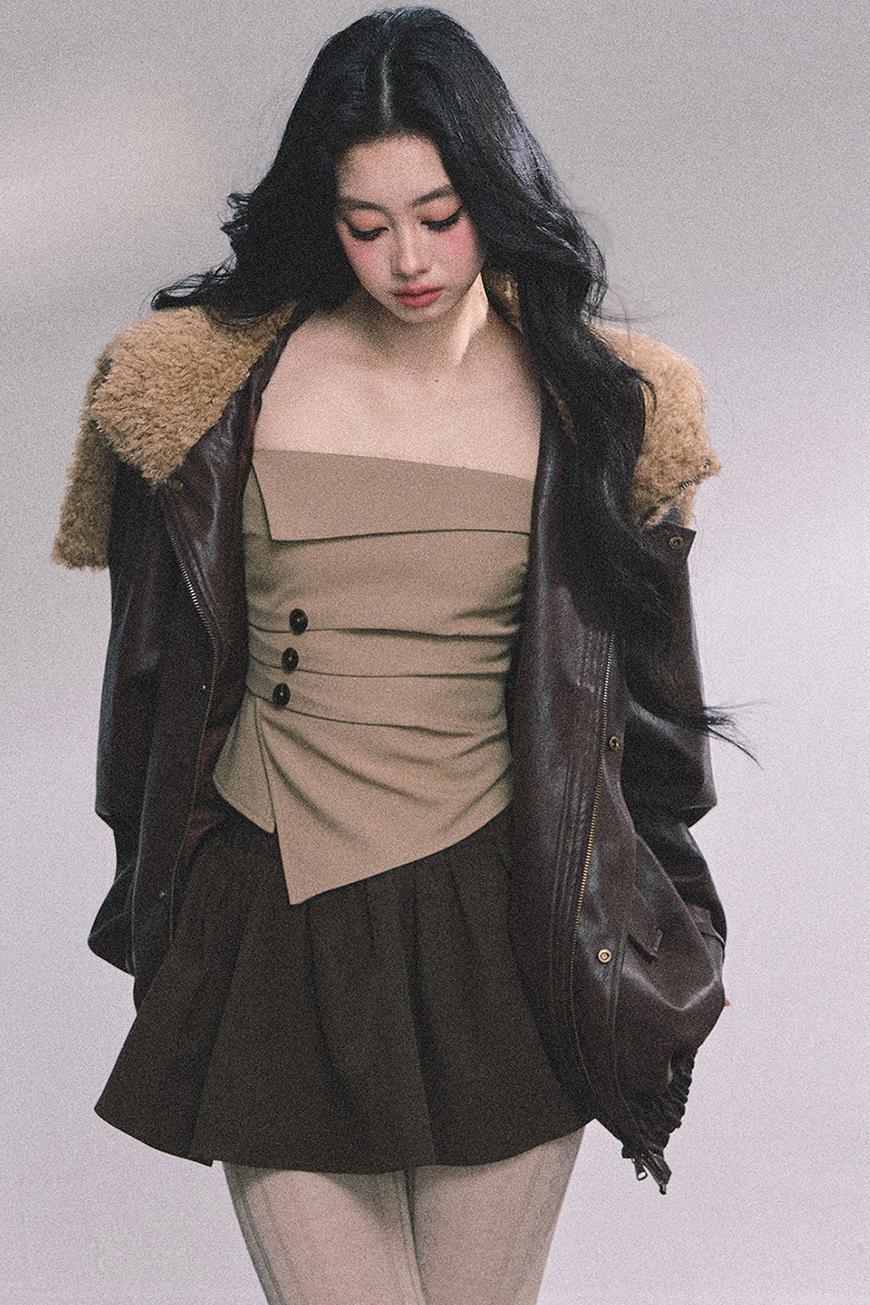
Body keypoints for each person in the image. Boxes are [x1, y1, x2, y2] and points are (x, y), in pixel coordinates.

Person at [51, 6, 748, 1302]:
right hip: (271, 909)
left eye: (439, 214)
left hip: (509, 917)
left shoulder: (614, 407)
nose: (407, 259)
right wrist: (169, 910)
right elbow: (145, 689)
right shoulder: (193, 394)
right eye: (365, 225)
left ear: (497, 191)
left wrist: (668, 936)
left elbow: (654, 725)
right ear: (321, 218)